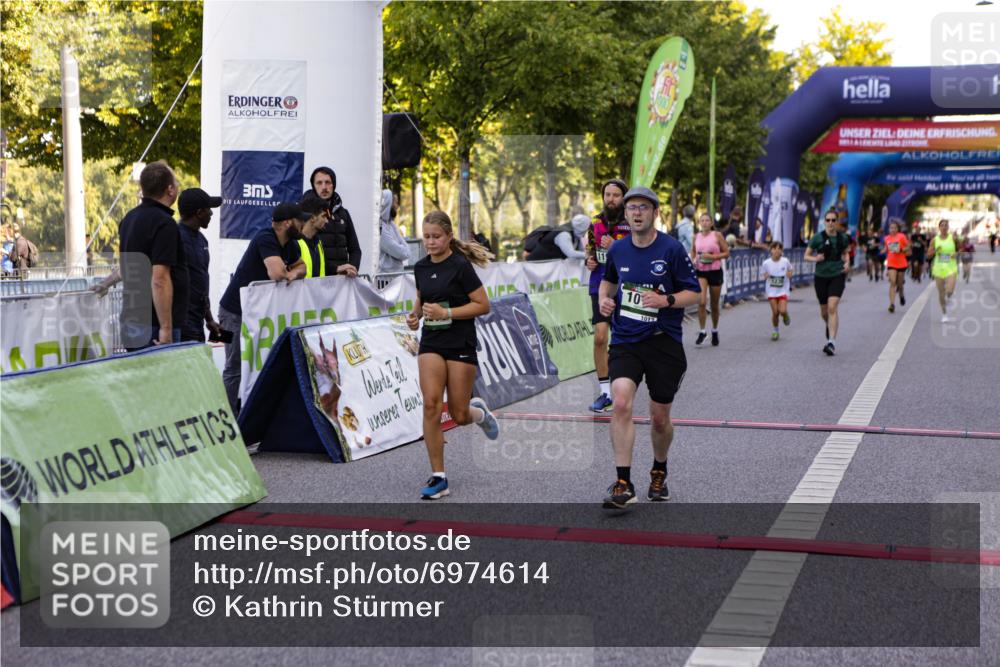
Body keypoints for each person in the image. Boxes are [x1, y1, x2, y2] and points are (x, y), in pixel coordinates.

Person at [597, 186, 700, 509]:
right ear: (626, 215)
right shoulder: (618, 250)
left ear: (656, 213)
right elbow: (608, 281)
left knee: (658, 419)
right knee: (622, 402)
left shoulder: (671, 249)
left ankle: (659, 469)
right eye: (632, 208)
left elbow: (694, 293)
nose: (637, 212)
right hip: (626, 340)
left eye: (643, 207)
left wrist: (665, 300)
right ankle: (623, 482)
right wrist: (603, 300)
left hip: (663, 343)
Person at [406, 211, 498, 500]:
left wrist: (447, 312)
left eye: (436, 237)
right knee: (431, 404)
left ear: (448, 237)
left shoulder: (460, 266)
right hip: (432, 341)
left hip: (460, 341)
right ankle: (439, 476)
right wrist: (415, 315)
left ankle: (478, 413)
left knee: (458, 414)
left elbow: (483, 305)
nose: (430, 242)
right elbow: (422, 299)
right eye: (427, 237)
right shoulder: (420, 267)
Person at [217, 202, 308, 413]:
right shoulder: (265, 237)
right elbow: (276, 274)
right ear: (287, 223)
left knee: (255, 364)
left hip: (254, 315)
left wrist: (292, 274)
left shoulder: (291, 244)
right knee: (234, 367)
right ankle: (227, 421)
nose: (303, 223)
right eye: (299, 220)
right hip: (232, 313)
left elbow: (301, 267)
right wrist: (286, 273)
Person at [115, 160, 189, 351]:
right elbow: (160, 279)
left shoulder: (129, 219)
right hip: (154, 325)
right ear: (170, 189)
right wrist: (166, 328)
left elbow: (126, 268)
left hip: (132, 319)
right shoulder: (164, 223)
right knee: (163, 380)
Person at [584, 178, 630, 413]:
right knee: (600, 337)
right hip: (600, 285)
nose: (610, 199)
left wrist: (616, 247)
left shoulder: (632, 223)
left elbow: (638, 253)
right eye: (607, 195)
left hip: (626, 286)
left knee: (624, 339)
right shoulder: (595, 223)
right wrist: (589, 260)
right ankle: (605, 393)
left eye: (615, 195)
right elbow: (590, 252)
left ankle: (624, 385)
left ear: (623, 198)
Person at [177, 188, 224, 343]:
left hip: (197, 321)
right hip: (181, 324)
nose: (211, 213)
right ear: (199, 213)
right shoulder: (175, 237)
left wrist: (209, 319)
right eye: (208, 209)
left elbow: (201, 282)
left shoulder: (202, 240)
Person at [804, 208, 850, 356]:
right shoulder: (818, 238)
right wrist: (815, 259)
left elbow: (846, 253)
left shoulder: (843, 238)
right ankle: (829, 325)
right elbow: (807, 255)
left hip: (837, 275)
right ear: (825, 222)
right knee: (824, 312)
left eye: (833, 220)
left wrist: (847, 264)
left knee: (832, 307)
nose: (830, 223)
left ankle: (831, 343)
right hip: (821, 276)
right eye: (828, 220)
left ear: (837, 222)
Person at [305, 166, 361, 277]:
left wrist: (352, 269)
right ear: (313, 186)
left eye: (328, 182)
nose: (324, 187)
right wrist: (335, 269)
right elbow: (308, 254)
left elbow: (355, 249)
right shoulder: (306, 213)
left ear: (334, 185)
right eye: (319, 183)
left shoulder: (343, 213)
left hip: (342, 280)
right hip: (317, 280)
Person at [691, 211, 730, 346]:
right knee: (701, 302)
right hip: (701, 271)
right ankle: (702, 331)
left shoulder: (717, 235)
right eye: (702, 221)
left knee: (714, 304)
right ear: (699, 223)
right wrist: (694, 259)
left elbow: (727, 252)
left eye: (707, 220)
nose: (705, 223)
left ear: (712, 223)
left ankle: (714, 330)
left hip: (715, 271)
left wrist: (713, 257)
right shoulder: (696, 236)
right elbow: (694, 252)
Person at [928, 219, 960, 323]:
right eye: (942, 225)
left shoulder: (953, 238)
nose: (944, 227)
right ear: (939, 227)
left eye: (946, 225)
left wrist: (956, 253)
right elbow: (929, 255)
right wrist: (935, 251)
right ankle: (944, 313)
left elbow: (960, 249)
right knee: (941, 292)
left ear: (948, 227)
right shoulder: (934, 240)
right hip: (938, 268)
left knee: (949, 291)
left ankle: (949, 295)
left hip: (951, 267)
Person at [761, 241, 793, 340]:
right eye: (774, 248)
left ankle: (785, 314)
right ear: (771, 250)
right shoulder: (766, 263)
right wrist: (765, 276)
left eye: (779, 248)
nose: (777, 251)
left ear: (782, 251)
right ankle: (775, 330)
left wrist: (789, 274)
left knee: (782, 310)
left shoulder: (785, 261)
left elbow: (791, 269)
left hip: (782, 290)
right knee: (775, 312)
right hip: (771, 291)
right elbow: (763, 274)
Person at [524, 214, 590, 261]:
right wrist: (590, 255)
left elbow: (581, 251)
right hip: (537, 265)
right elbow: (571, 254)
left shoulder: (576, 234)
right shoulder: (564, 234)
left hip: (549, 265)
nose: (587, 231)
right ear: (582, 228)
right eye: (587, 229)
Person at [378, 189, 410, 273]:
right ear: (388, 203)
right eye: (395, 202)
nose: (397, 206)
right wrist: (403, 249)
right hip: (384, 279)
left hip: (396, 276)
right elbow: (400, 252)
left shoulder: (391, 224)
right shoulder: (380, 227)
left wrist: (403, 249)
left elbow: (406, 251)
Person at [883, 219, 909, 313]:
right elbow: (887, 248)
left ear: (898, 229)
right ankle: (892, 304)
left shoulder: (901, 236)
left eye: (894, 228)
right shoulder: (886, 238)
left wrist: (901, 250)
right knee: (892, 282)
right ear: (889, 229)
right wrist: (883, 250)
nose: (892, 229)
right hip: (891, 263)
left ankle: (901, 295)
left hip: (901, 263)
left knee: (900, 284)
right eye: (891, 228)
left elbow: (908, 247)